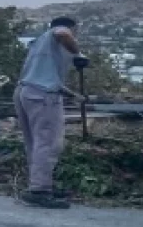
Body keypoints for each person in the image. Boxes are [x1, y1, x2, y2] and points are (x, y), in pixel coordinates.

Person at [13, 17, 88, 209]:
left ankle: (38, 185)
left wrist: (73, 95)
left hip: (25, 91)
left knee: (35, 143)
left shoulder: (38, 43)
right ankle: (39, 190)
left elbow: (45, 76)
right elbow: (62, 33)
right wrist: (79, 54)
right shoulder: (61, 32)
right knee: (49, 143)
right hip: (42, 96)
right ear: (74, 27)